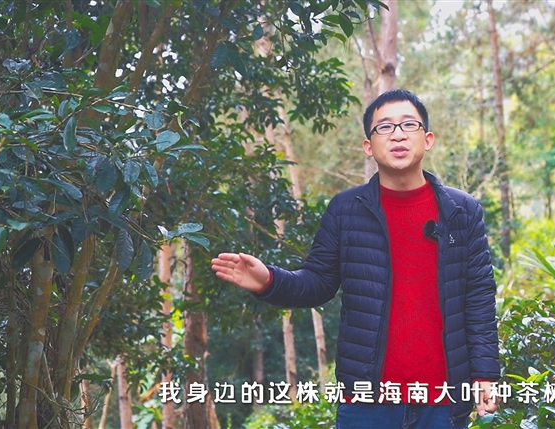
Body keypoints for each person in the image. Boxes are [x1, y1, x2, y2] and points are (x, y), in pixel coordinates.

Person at [211, 89, 500, 429]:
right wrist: (269, 281)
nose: (397, 134)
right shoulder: (346, 209)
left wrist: (485, 373)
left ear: (428, 139)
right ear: (368, 146)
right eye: (384, 127)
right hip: (365, 403)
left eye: (409, 124)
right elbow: (318, 282)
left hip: (442, 402)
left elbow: (478, 298)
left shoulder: (462, 211)